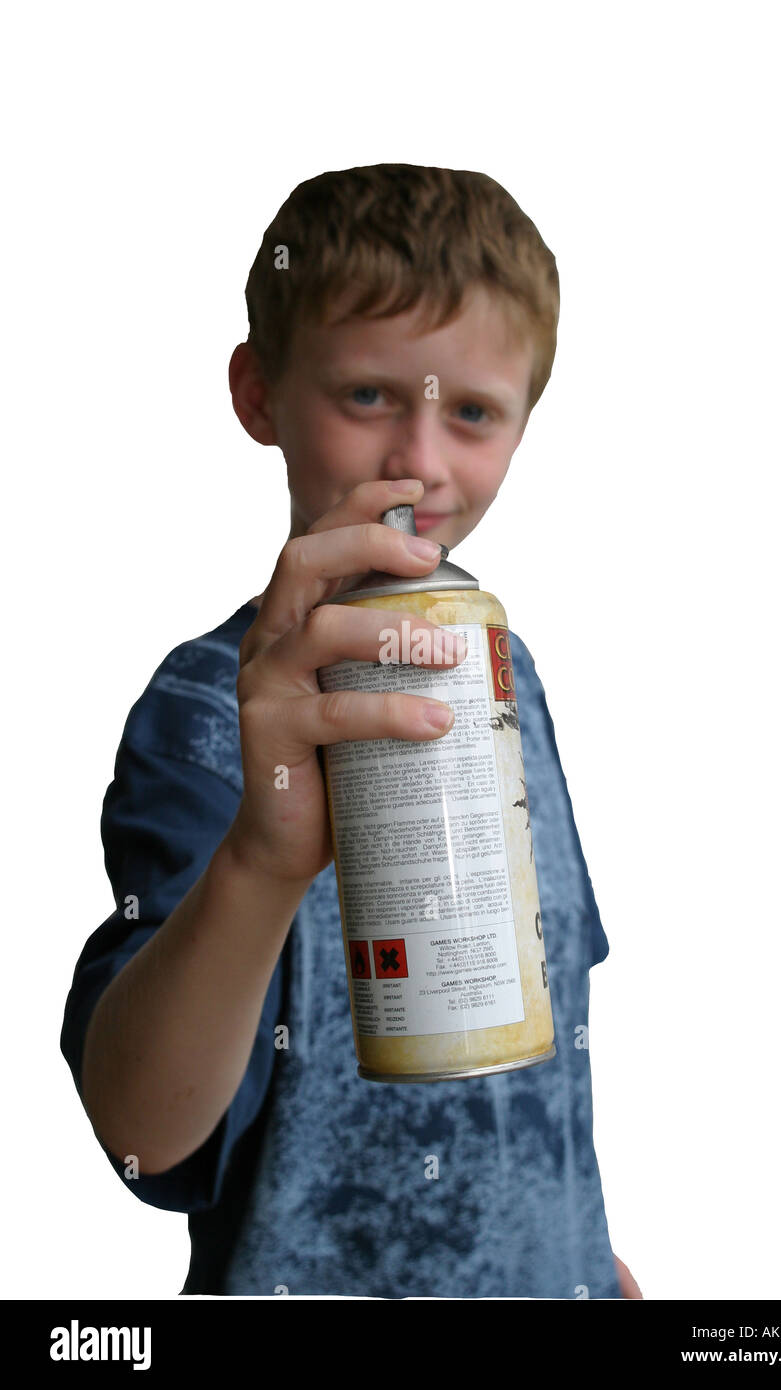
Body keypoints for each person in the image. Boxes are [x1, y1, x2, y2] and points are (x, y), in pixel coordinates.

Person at [60, 163, 642, 1300]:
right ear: (260, 393)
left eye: (470, 412)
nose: (418, 463)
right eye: (368, 395)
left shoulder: (506, 670)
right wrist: (262, 859)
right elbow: (142, 1132)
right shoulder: (204, 712)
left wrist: (578, 1250)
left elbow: (549, 1025)